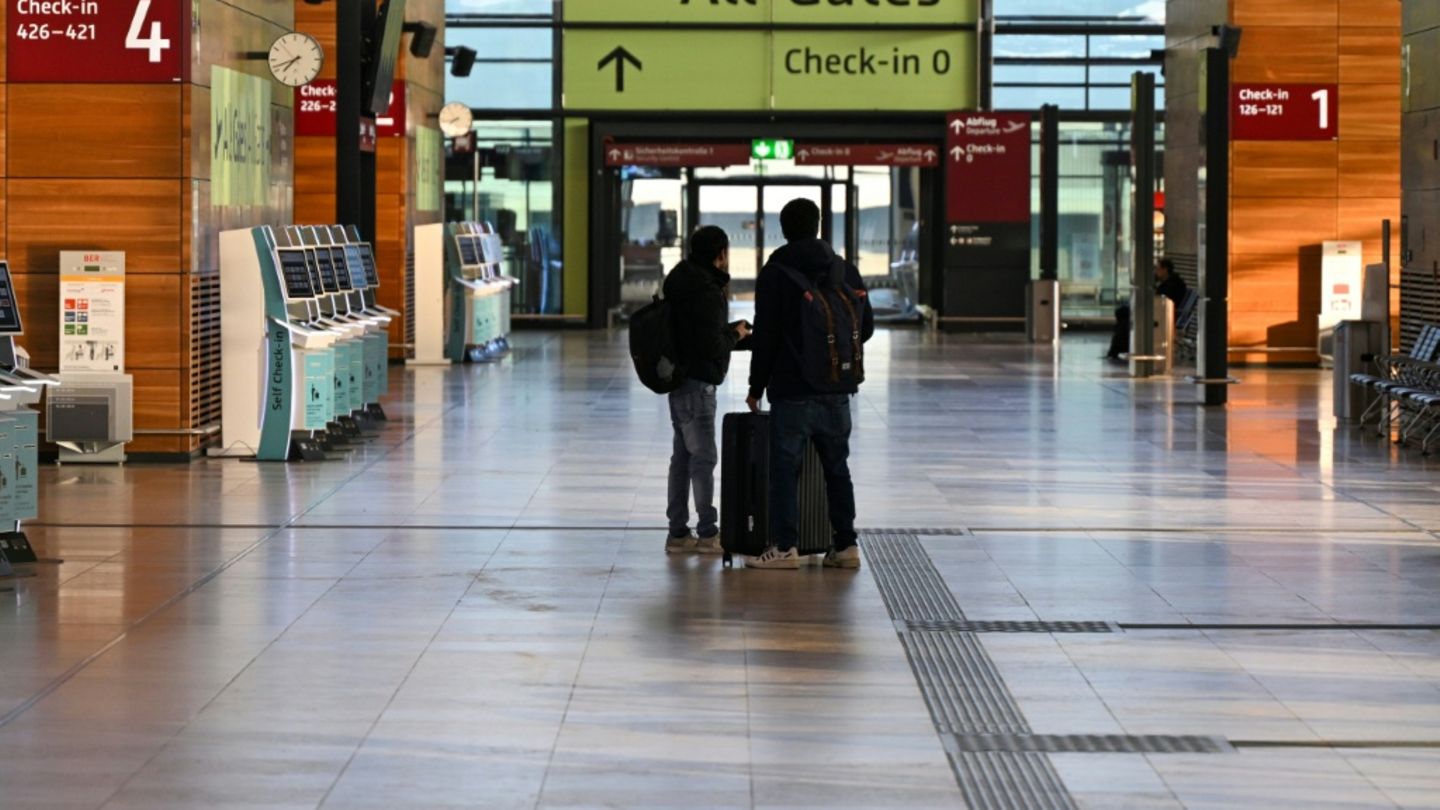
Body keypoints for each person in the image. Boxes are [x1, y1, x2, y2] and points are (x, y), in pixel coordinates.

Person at [744, 199, 874, 570]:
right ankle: (845, 545)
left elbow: (766, 336)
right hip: (837, 388)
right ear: (818, 226)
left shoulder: (775, 273)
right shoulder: (844, 269)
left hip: (792, 389)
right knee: (837, 468)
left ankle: (786, 547)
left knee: (785, 469)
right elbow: (865, 327)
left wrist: (756, 386)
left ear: (783, 229)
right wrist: (831, 353)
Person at [663, 226, 750, 555]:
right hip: (699, 385)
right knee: (703, 459)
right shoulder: (708, 289)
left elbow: (695, 333)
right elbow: (712, 343)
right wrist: (737, 335)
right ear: (720, 254)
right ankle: (707, 532)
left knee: (683, 458)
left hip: (678, 380)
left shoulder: (681, 280)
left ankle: (677, 532)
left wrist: (728, 333)